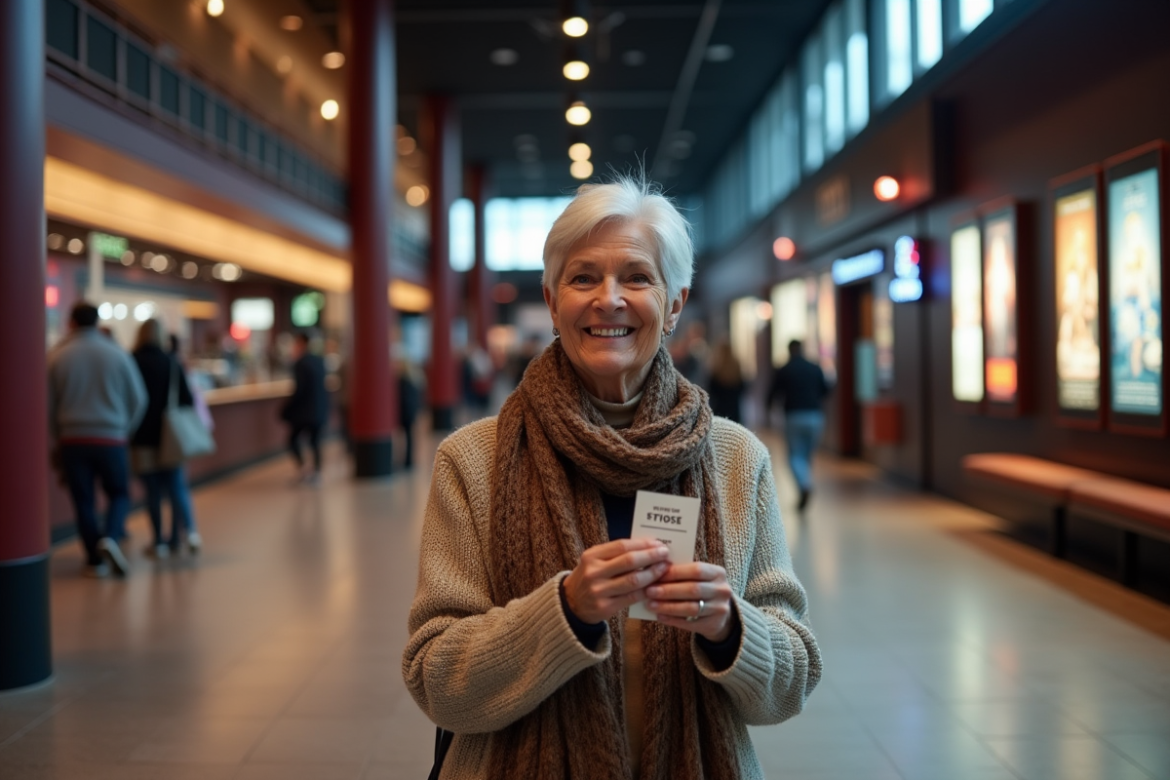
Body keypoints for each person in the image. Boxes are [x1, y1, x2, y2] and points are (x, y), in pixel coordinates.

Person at [403, 177, 821, 779]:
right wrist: (566, 610)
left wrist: (731, 626)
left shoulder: (735, 458)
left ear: (674, 303)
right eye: (582, 278)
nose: (609, 299)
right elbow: (435, 678)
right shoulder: (474, 459)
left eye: (636, 276)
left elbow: (793, 680)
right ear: (551, 302)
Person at [48, 301, 147, 577]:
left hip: (72, 440)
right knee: (119, 493)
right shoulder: (116, 353)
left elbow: (48, 405)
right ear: (97, 321)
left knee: (83, 500)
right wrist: (124, 429)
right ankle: (111, 537)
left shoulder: (57, 356)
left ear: (71, 323)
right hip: (112, 438)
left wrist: (58, 436)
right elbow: (139, 398)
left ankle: (94, 558)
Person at [130, 321, 202, 558]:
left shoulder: (132, 361)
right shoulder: (172, 363)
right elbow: (188, 400)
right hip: (171, 436)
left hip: (142, 436)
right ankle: (183, 535)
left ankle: (158, 541)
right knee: (176, 487)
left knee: (152, 492)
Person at [767, 339, 830, 511]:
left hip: (793, 415)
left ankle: (804, 485)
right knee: (807, 454)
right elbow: (825, 390)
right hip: (815, 416)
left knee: (795, 455)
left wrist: (769, 410)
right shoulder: (815, 368)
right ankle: (805, 482)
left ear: (789, 351)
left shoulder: (784, 370)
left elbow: (773, 393)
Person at [281, 331, 328, 485]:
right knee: (315, 441)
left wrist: (287, 408)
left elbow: (299, 390)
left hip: (304, 411)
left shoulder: (300, 363)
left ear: (301, 343)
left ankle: (304, 470)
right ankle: (317, 472)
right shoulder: (319, 361)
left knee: (293, 439)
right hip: (320, 409)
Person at [706, 339, 746, 423]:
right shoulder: (736, 367)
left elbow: (711, 391)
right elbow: (743, 387)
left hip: (720, 409)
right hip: (735, 408)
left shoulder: (716, 368)